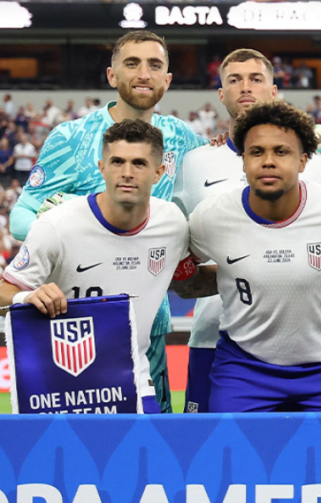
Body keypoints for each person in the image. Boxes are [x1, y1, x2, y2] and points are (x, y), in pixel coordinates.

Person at [9, 31, 207, 413]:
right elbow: (21, 215)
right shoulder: (71, 137)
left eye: (155, 65)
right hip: (73, 320)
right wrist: (65, 214)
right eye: (132, 63)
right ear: (112, 75)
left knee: (152, 441)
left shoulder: (183, 138)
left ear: (168, 80)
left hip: (148, 324)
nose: (143, 73)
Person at [173, 100, 321, 412]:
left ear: (303, 160)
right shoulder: (211, 217)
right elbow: (185, 274)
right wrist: (222, 276)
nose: (268, 161)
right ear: (242, 160)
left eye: (281, 152)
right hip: (243, 370)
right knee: (232, 459)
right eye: (257, 152)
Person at [0, 119, 190, 414]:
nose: (127, 173)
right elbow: (4, 292)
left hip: (132, 383)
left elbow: (193, 277)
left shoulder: (174, 224)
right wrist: (26, 297)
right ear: (102, 167)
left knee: (148, 457)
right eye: (117, 162)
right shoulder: (57, 225)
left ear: (158, 173)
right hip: (59, 390)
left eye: (139, 163)